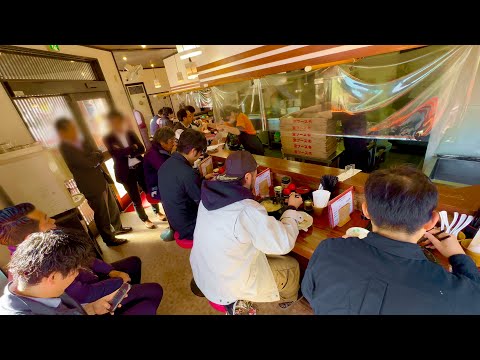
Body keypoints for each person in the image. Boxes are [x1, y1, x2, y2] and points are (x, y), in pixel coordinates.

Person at [302, 165, 480, 315]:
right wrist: (458, 255)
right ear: (432, 221)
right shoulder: (451, 293)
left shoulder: (328, 249)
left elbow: (309, 293)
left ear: (366, 210)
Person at [0, 203, 163, 313]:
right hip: (88, 294)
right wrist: (117, 282)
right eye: (46, 219)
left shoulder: (38, 281)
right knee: (150, 295)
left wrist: (92, 308)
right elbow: (81, 294)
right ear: (32, 238)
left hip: (89, 298)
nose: (53, 220)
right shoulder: (42, 272)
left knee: (134, 265)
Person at [190, 151, 303, 309]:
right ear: (248, 177)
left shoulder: (209, 197)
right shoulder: (246, 209)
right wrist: (291, 208)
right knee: (291, 266)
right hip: (228, 286)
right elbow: (283, 244)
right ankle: (288, 299)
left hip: (205, 271)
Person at [56, 118, 130, 247]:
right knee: (102, 213)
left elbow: (98, 153)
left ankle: (118, 228)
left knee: (112, 207)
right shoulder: (65, 147)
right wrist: (94, 157)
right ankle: (109, 239)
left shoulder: (81, 140)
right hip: (90, 184)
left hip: (100, 178)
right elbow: (87, 162)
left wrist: (94, 157)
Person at [103, 110, 166, 227]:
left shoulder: (130, 133)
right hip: (125, 172)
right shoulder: (108, 138)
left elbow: (141, 149)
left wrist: (126, 151)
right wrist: (132, 148)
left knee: (149, 190)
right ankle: (145, 219)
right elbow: (115, 154)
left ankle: (157, 212)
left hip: (139, 167)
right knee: (135, 198)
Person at [158, 129, 210, 242]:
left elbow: (181, 187)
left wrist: (202, 179)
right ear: (193, 151)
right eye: (201, 152)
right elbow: (203, 203)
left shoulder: (166, 164)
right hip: (188, 227)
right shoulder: (187, 173)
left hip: (174, 222)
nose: (200, 156)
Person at [143, 127, 176, 200]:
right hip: (157, 189)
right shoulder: (153, 154)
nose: (174, 144)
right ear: (162, 142)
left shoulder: (160, 149)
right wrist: (174, 154)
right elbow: (168, 171)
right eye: (171, 141)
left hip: (165, 183)